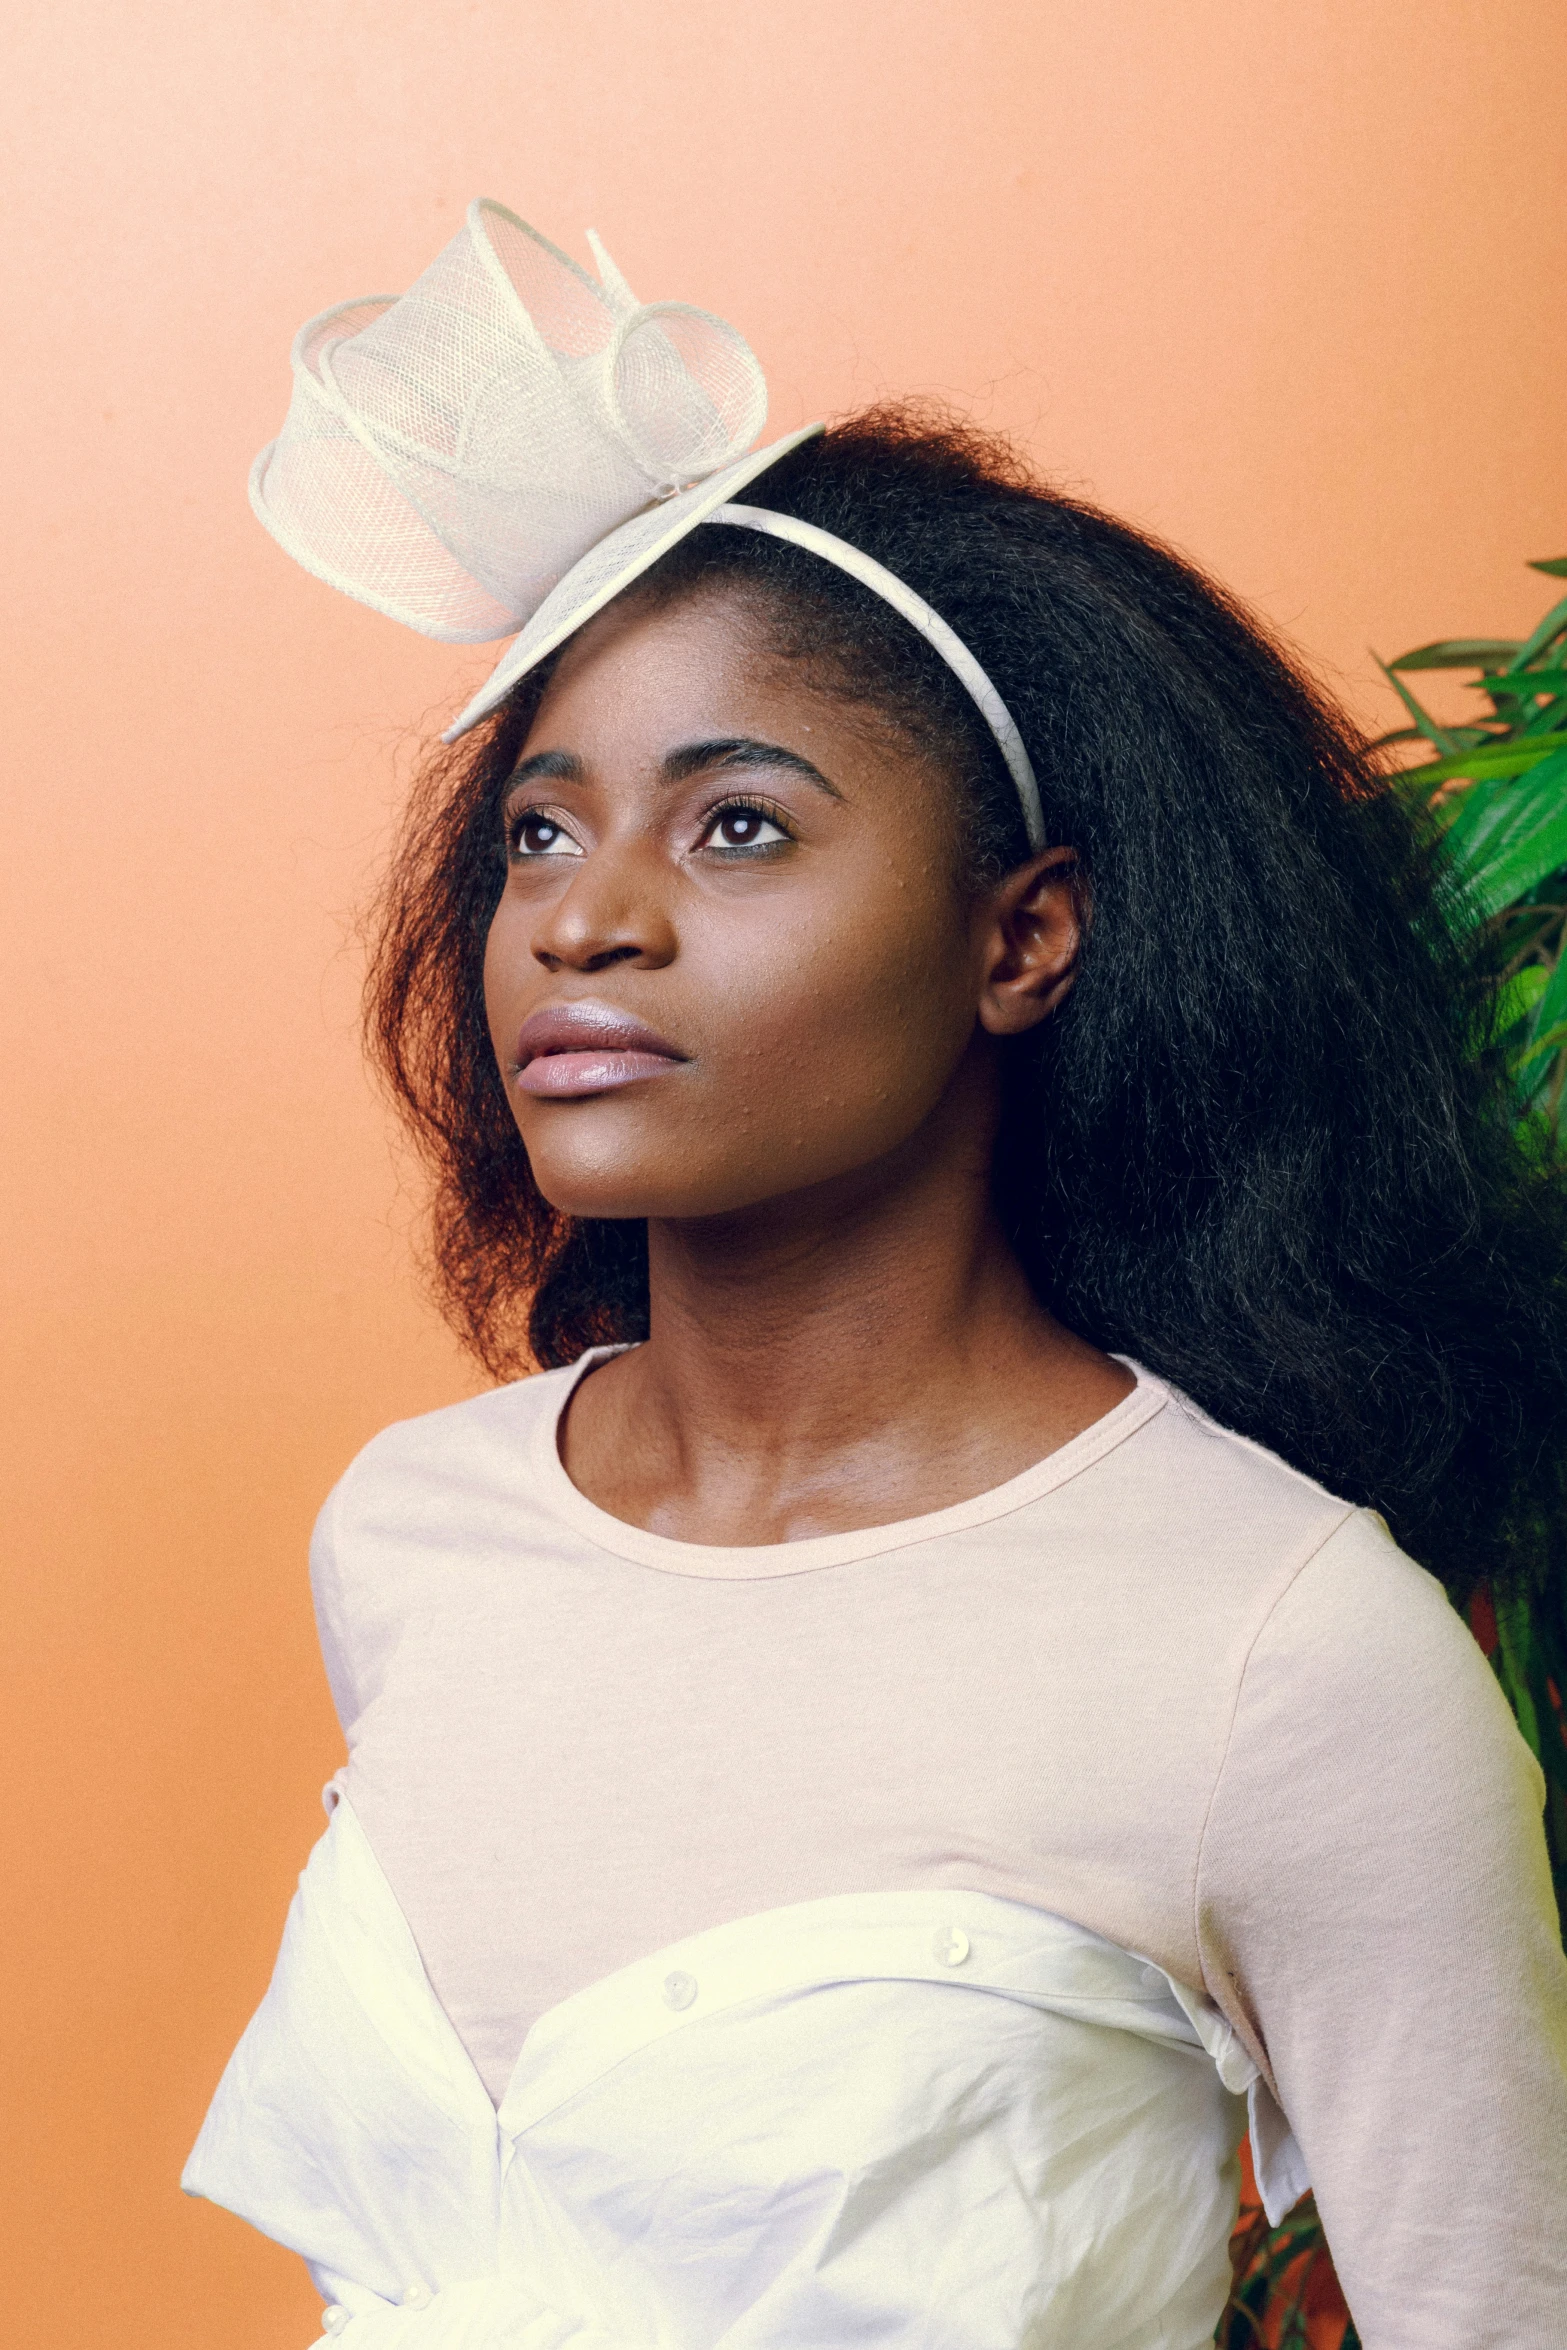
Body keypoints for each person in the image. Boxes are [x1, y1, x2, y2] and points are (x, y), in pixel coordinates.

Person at [186, 206, 1567, 2349]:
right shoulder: (412, 1528)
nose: (584, 919)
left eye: (736, 826)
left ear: (1023, 934)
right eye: (540, 833)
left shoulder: (1288, 1659)